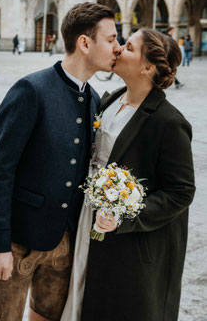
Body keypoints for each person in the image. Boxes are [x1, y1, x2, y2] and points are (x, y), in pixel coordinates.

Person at [0, 2, 120, 321]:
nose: (118, 46)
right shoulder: (31, 89)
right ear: (85, 43)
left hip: (63, 245)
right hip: (16, 245)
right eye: (111, 39)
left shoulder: (94, 99)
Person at [62, 29, 195, 321]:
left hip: (131, 243)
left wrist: (124, 215)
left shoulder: (169, 122)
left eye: (129, 47)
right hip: (90, 221)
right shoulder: (110, 99)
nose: (119, 49)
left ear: (147, 67)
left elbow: (181, 191)